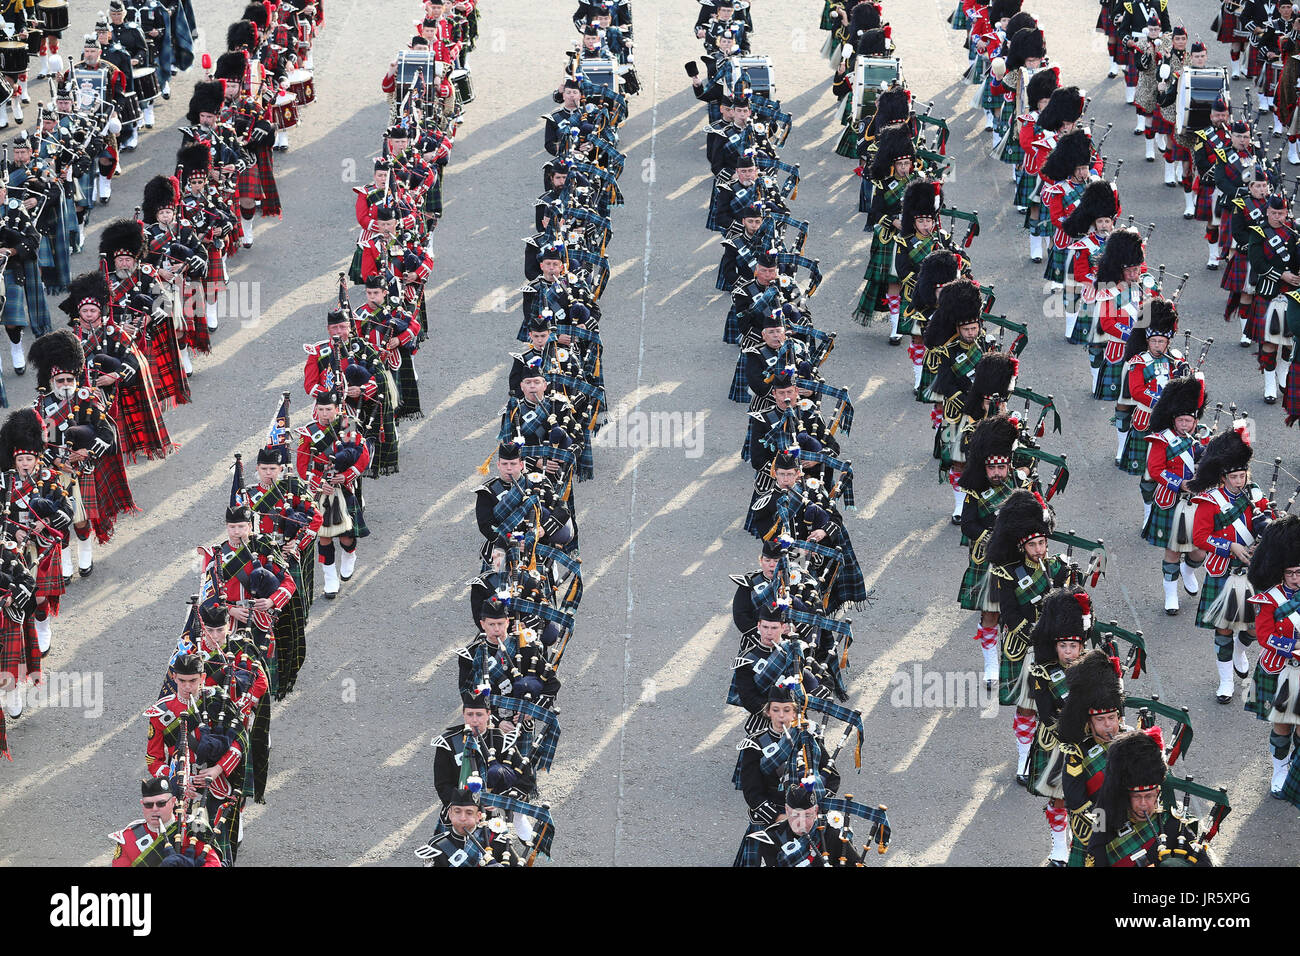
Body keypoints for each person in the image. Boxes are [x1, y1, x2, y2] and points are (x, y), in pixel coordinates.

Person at [1188, 424, 1275, 703]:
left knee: (1252, 627)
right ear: (1223, 477)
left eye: (1242, 475)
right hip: (1223, 570)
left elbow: (1267, 519)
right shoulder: (1209, 501)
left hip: (1254, 569)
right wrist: (1231, 546)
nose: (1239, 481)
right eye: (1234, 477)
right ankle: (1225, 680)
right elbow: (1200, 537)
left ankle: (1240, 649)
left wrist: (1273, 526)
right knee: (1223, 628)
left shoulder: (1255, 494)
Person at [988, 488, 1070, 784]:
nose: (1040, 550)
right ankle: (1024, 758)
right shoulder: (1009, 573)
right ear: (1023, 546)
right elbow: (1010, 614)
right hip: (1027, 646)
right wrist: (1037, 636)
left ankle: (1052, 758)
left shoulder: (1058, 566)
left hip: (1057, 647)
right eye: (1034, 545)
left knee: (1057, 704)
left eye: (1043, 543)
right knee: (1027, 706)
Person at [958, 414, 1032, 688]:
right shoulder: (976, 492)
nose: (998, 473)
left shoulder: (1021, 485)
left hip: (1020, 559)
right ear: (985, 468)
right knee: (991, 614)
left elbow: (1039, 515)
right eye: (993, 469)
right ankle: (991, 663)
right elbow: (968, 525)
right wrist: (993, 537)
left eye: (1002, 467)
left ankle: (1012, 663)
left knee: (1020, 614)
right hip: (989, 560)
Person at [1085, 729, 1215, 867]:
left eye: (1149, 796)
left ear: (1158, 792)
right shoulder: (1102, 813)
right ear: (1125, 793)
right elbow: (1094, 853)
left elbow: (1204, 862)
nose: (1143, 804)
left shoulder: (1173, 824)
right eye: (1136, 796)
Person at [1026, 587, 1090, 865]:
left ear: (1081, 647)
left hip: (1088, 742)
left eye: (1072, 646)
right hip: (1056, 740)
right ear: (1055, 646)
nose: (1067, 651)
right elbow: (1046, 712)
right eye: (1062, 646)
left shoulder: (1093, 672)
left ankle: (1083, 845)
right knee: (1060, 800)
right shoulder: (1042, 674)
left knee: (1088, 801)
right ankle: (1059, 845)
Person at [1141, 375, 1209, 615]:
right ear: (1173, 419)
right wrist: (1179, 484)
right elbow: (1155, 469)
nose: (1183, 425)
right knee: (1172, 549)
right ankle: (1171, 595)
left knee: (1200, 548)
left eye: (1188, 420)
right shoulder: (1162, 440)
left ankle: (1188, 570)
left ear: (1195, 420)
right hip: (1171, 500)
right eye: (1180, 420)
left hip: (1199, 503)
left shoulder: (1205, 438)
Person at [296, 389, 371, 599]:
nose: (324, 413)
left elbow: (362, 456)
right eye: (320, 409)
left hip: (343, 487)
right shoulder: (309, 433)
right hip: (321, 490)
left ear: (337, 409)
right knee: (324, 537)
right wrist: (319, 484)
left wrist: (346, 476)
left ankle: (350, 554)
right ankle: (330, 577)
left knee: (347, 537)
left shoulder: (347, 427)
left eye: (328, 409)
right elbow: (302, 466)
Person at [1245, 514, 1300, 796]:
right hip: (1281, 668)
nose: (1294, 578)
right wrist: (1293, 649)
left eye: (1299, 572)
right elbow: (1265, 636)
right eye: (1289, 573)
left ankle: (1295, 768)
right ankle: (1279, 770)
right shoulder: (1269, 599)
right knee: (1283, 725)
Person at [735, 784, 863, 867]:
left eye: (807, 815)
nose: (801, 823)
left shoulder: (832, 834)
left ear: (816, 811)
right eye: (796, 815)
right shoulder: (770, 840)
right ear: (786, 810)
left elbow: (857, 863)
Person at [109, 777, 223, 867]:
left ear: (173, 802)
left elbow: (214, 864)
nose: (154, 809)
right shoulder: (128, 838)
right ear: (142, 804)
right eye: (148, 804)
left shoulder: (192, 828)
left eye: (161, 803)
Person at [415, 786, 515, 866]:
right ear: (450, 814)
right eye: (457, 812)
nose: (463, 818)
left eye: (469, 813)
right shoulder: (437, 845)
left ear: (478, 816)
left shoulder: (495, 840)